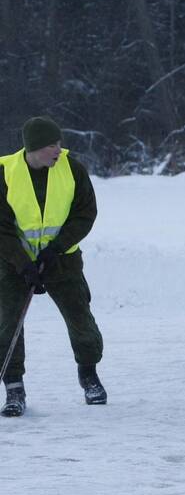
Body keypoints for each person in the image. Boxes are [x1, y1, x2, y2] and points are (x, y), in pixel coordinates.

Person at [0, 117, 105, 417]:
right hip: (13, 262)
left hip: (63, 258)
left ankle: (89, 374)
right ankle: (14, 388)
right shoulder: (5, 173)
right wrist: (23, 264)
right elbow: (2, 229)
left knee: (81, 318)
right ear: (33, 148)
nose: (59, 150)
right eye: (51, 145)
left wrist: (56, 249)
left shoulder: (73, 169)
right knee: (9, 324)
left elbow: (86, 213)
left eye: (59, 143)